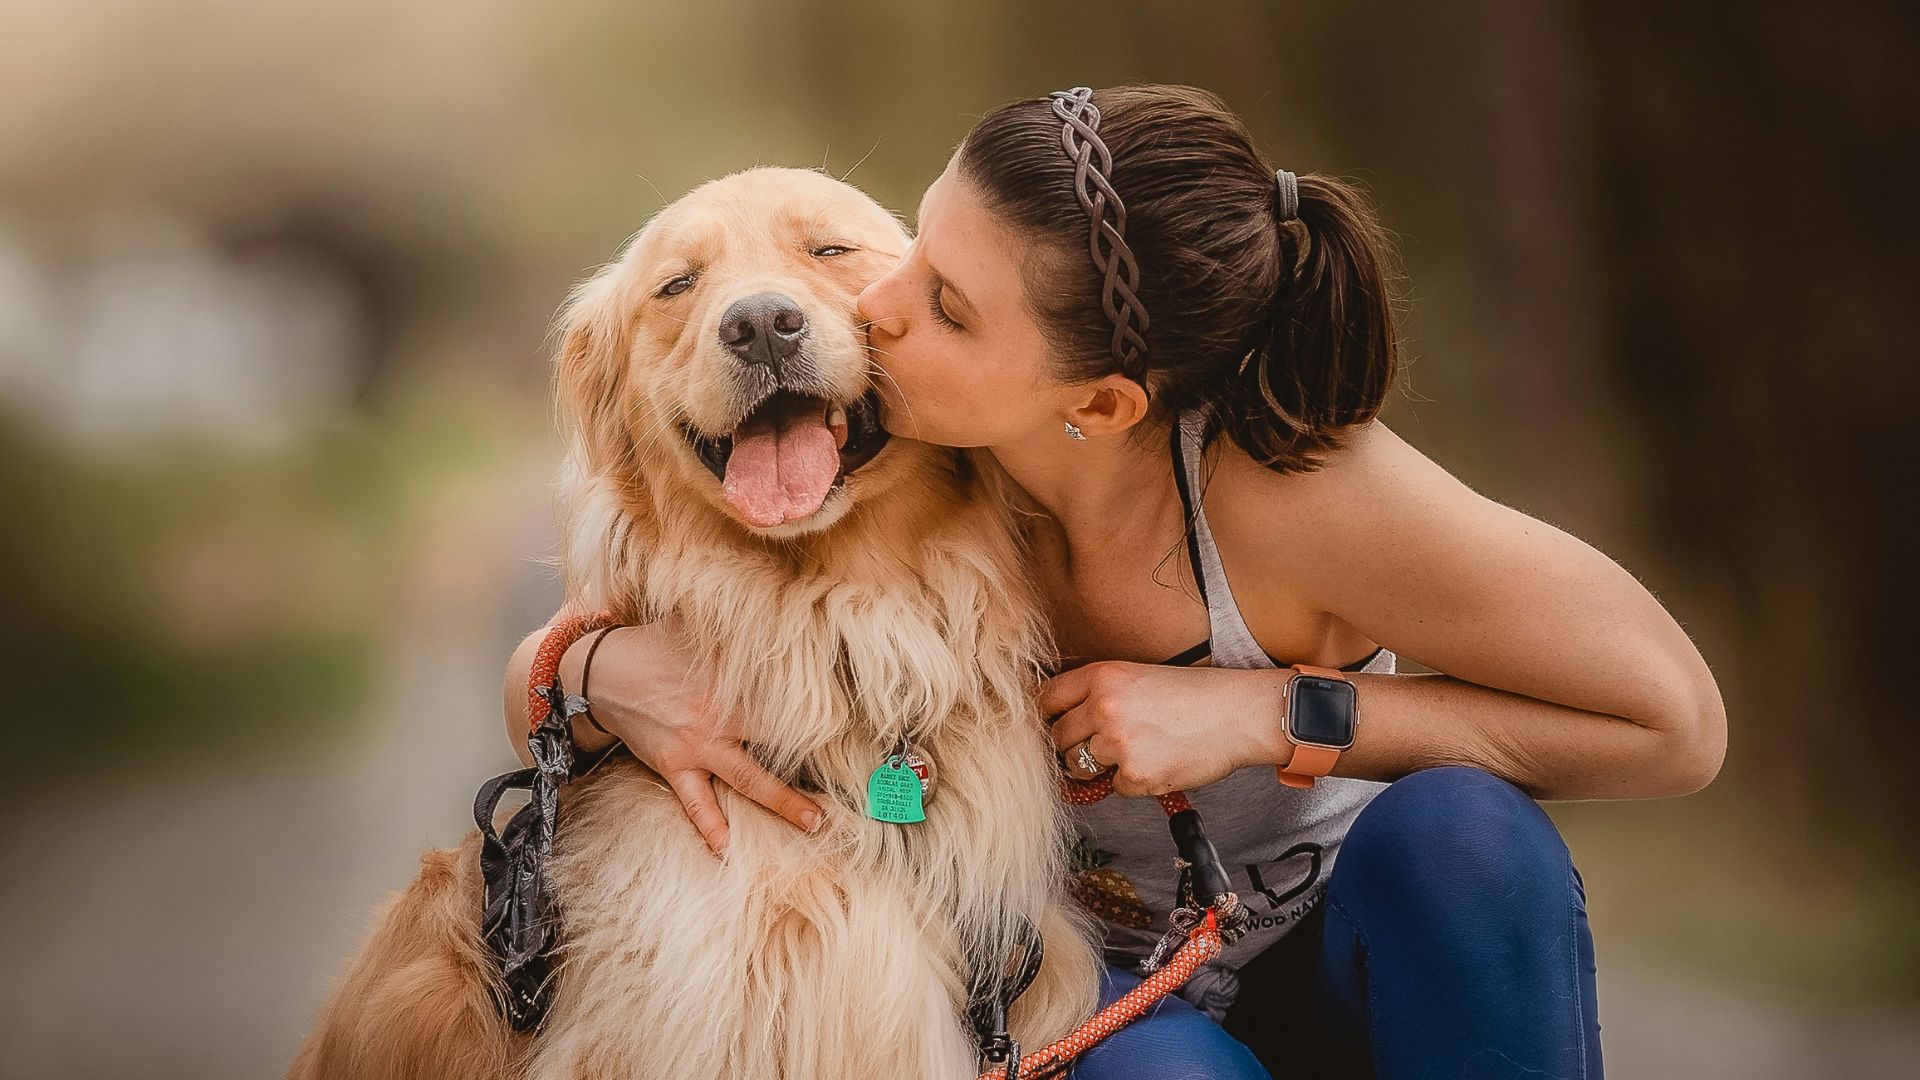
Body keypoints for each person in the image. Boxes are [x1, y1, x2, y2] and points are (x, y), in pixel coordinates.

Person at [503, 84, 1726, 1078]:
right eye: (915, 251)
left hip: (1342, 959)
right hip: (1096, 1007)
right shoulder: (902, 504)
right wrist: (596, 671)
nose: (874, 308)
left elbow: (1671, 724)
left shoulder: (1294, 488)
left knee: (1467, 833)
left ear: (1099, 403)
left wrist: (1264, 713)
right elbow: (569, 674)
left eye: (945, 306)